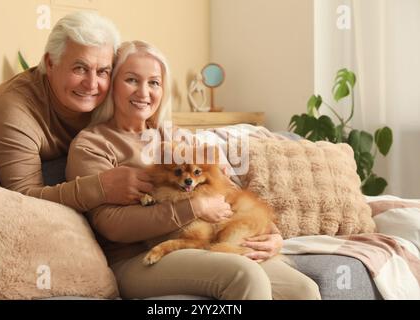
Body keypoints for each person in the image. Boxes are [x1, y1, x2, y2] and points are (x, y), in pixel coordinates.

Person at [66, 40, 321, 300]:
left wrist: (273, 235)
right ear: (112, 84)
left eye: (154, 82)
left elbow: (226, 190)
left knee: (303, 290)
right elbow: (112, 226)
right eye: (132, 80)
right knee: (245, 275)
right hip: (135, 259)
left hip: (201, 242)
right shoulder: (92, 144)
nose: (144, 92)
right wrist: (194, 208)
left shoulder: (174, 135)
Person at [0, 11, 154, 212]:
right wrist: (102, 187)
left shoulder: (111, 94)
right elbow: (23, 199)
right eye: (80, 68)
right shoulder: (12, 110)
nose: (92, 84)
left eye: (102, 71)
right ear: (50, 63)